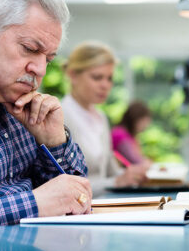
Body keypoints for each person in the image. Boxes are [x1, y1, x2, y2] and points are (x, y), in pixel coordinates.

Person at [0, 0, 92, 234]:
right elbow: (44, 203)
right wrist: (33, 204)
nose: (40, 69)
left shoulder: (18, 101)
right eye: (30, 49)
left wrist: (55, 142)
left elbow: (78, 198)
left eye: (49, 58)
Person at [61, 41, 149, 196]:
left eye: (109, 78)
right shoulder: (59, 117)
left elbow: (111, 173)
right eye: (97, 77)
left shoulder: (101, 118)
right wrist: (116, 182)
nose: (105, 85)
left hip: (103, 206)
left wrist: (132, 174)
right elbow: (63, 185)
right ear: (73, 75)